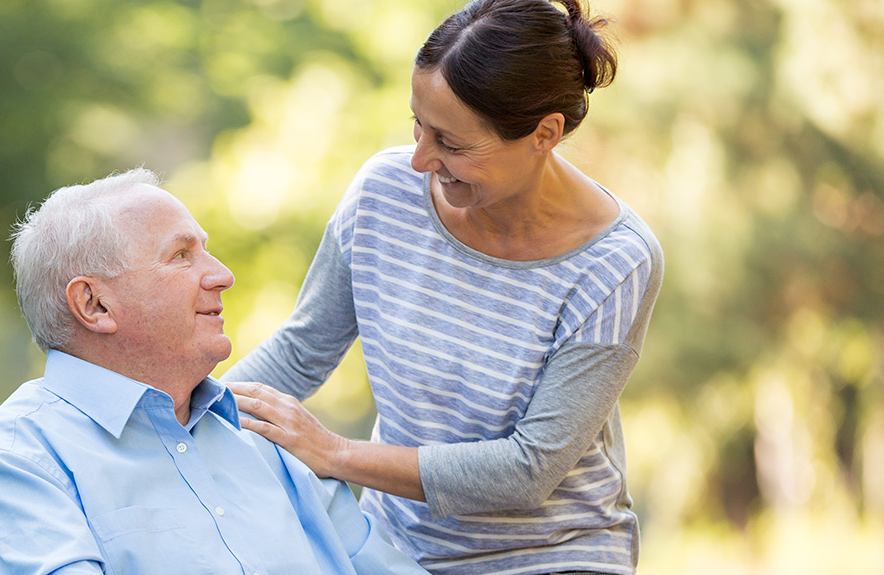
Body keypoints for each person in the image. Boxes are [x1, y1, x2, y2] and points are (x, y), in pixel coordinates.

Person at [222, 1, 663, 574]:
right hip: (393, 548)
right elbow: (302, 351)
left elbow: (528, 470)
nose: (420, 160)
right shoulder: (383, 194)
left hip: (555, 556)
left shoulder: (615, 261)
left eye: (452, 145)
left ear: (544, 134)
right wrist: (179, 413)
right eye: (417, 125)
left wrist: (335, 454)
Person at [0, 170, 428, 575]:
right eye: (181, 256)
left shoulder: (271, 436)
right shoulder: (22, 457)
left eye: (205, 251)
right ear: (94, 303)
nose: (222, 275)